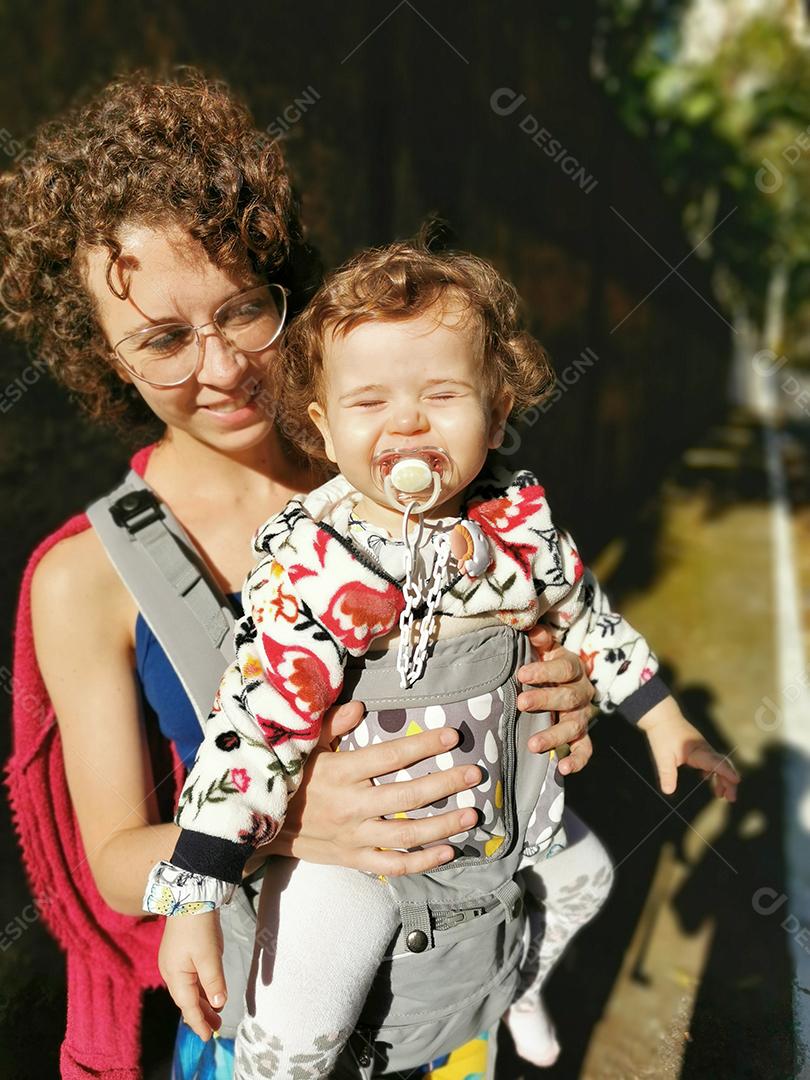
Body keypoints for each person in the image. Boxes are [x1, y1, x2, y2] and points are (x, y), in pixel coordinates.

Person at [1, 70, 601, 1080]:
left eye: (243, 311)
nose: (225, 366)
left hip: (450, 990)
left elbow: (523, 643)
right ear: (101, 359)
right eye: (162, 339)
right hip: (264, 1015)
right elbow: (112, 866)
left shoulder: (404, 483)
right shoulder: (86, 576)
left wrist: (557, 691)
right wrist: (280, 822)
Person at [152, 242, 740, 1078]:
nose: (407, 422)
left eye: (442, 395)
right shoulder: (319, 558)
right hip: (358, 848)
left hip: (497, 813)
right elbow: (259, 716)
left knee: (587, 880)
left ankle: (518, 988)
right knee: (303, 1016)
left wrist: (662, 715)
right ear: (322, 425)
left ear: (496, 416)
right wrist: (199, 881)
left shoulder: (517, 528)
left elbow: (583, 616)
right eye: (368, 401)